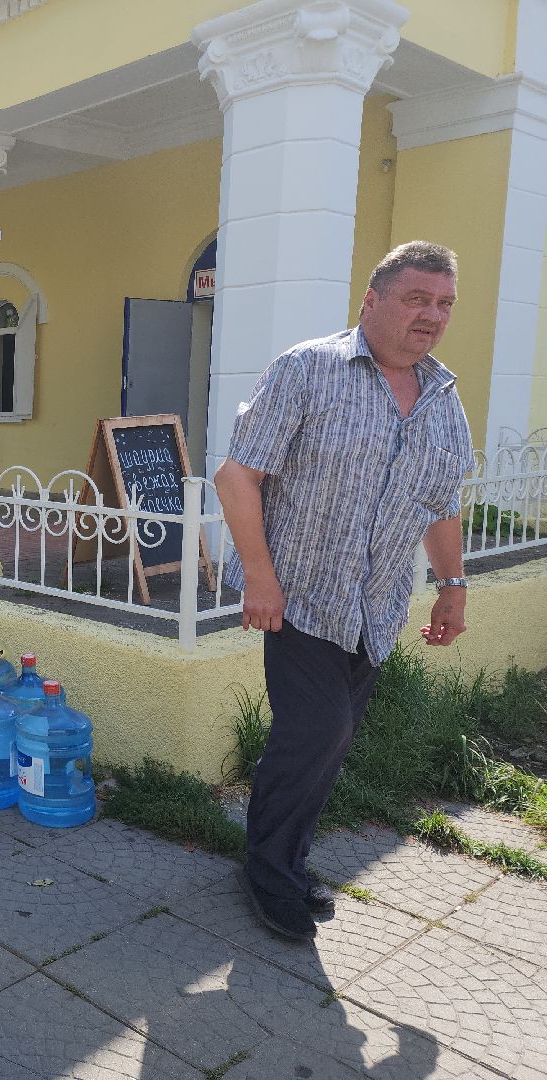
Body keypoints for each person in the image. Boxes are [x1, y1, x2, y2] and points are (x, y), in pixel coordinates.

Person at [215, 241, 472, 942]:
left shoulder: (445, 400)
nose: (432, 316)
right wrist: (261, 580)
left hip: (376, 607)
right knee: (317, 731)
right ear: (373, 299)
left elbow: (442, 506)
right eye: (417, 298)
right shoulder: (309, 369)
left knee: (326, 741)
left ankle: (285, 858)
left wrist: (452, 586)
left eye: (444, 303)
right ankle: (272, 876)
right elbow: (238, 477)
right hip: (299, 597)